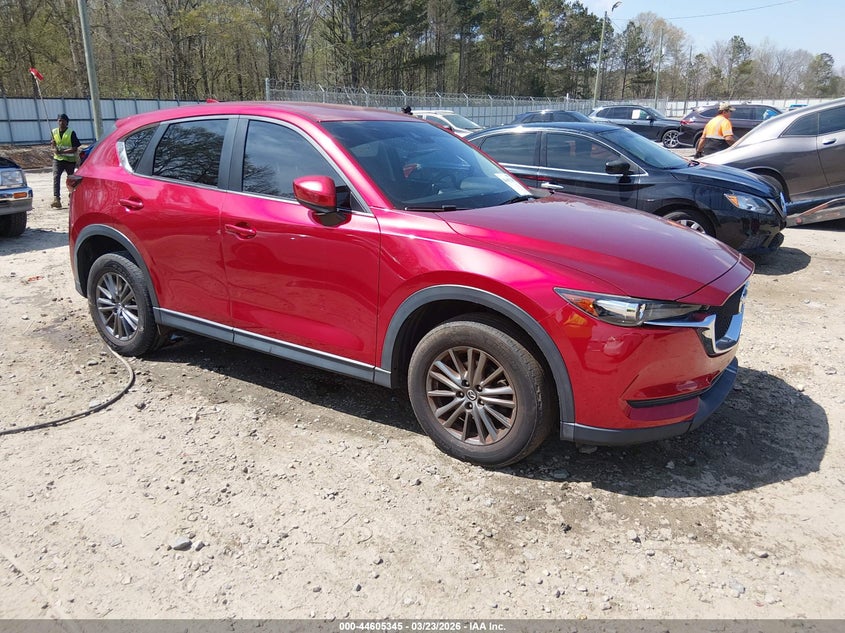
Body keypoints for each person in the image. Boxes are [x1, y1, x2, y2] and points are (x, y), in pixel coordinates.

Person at [50, 113, 81, 208]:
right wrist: (53, 147)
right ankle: (56, 199)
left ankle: (72, 197)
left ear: (67, 122)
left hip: (70, 160)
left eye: (63, 121)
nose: (61, 122)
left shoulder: (71, 133)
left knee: (72, 180)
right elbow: (52, 147)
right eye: (59, 120)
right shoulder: (54, 132)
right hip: (58, 159)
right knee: (56, 177)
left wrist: (62, 152)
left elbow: (75, 148)